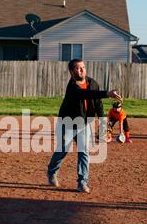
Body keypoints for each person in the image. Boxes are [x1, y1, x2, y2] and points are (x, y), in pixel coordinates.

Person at [47, 59, 121, 193]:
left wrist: (103, 123)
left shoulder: (92, 83)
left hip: (84, 123)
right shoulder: (72, 87)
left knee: (84, 151)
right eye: (77, 68)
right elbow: (85, 94)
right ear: (71, 71)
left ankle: (82, 182)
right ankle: (52, 172)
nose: (81, 70)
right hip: (68, 123)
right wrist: (106, 94)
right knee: (63, 150)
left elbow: (97, 103)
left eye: (83, 67)